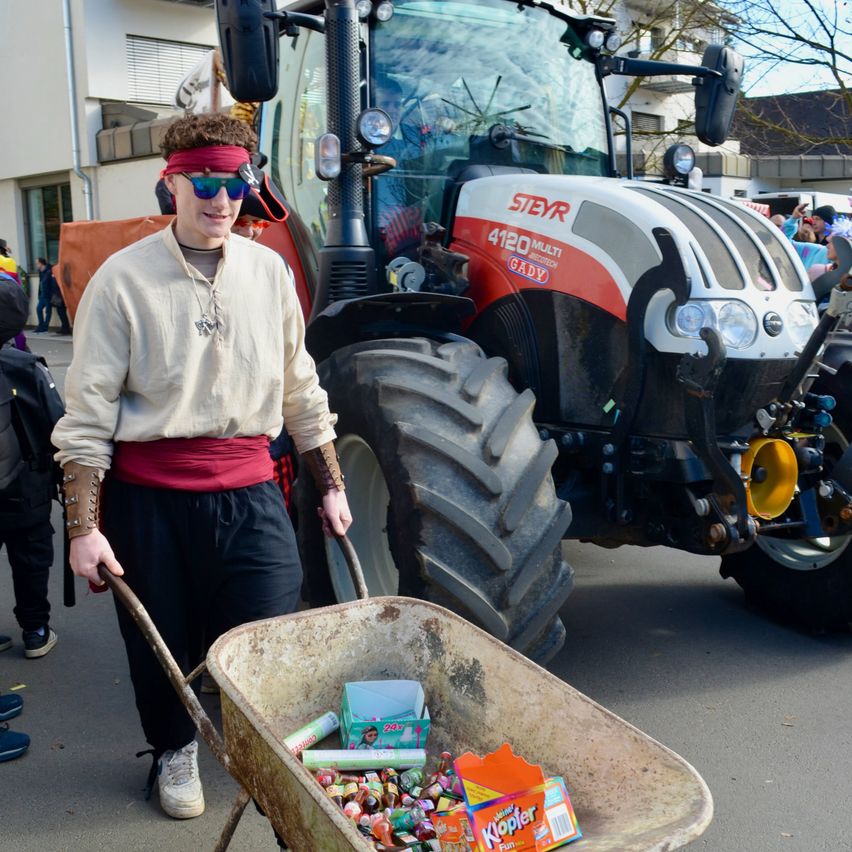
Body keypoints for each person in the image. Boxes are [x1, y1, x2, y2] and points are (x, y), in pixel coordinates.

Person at [51, 112, 352, 822]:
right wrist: (82, 527)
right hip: (149, 500)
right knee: (162, 637)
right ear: (173, 185)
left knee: (267, 633)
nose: (222, 200)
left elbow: (300, 386)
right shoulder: (122, 281)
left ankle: (264, 749)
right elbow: (87, 416)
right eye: (205, 183)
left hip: (250, 490)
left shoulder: (270, 273)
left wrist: (334, 484)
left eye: (236, 182)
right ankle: (174, 750)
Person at [0, 277, 64, 659]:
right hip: (26, 486)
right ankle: (35, 629)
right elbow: (58, 427)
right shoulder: (26, 366)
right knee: (30, 558)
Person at [0, 241, 27, 352]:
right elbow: (18, 282)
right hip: (15, 295)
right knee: (18, 331)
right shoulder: (10, 262)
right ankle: (21, 351)